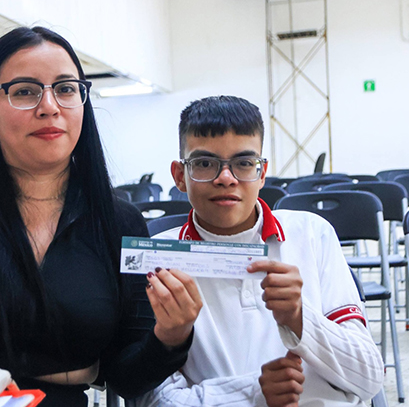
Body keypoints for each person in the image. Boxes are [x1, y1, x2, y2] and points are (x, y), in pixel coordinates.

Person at [0, 26, 202, 407]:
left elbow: (127, 378)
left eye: (66, 88)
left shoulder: (119, 222)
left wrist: (171, 335)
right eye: (25, 91)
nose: (50, 106)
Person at [136, 96, 384, 406]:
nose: (225, 178)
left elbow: (369, 378)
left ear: (262, 172)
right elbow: (153, 399)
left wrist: (300, 317)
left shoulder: (311, 234)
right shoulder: (159, 260)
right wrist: (252, 394)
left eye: (243, 163)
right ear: (179, 176)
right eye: (204, 164)